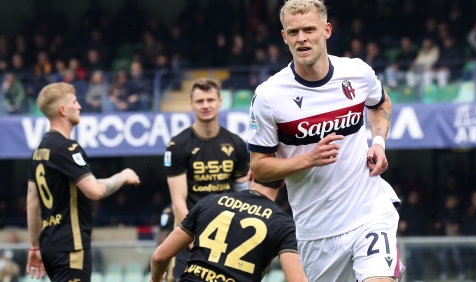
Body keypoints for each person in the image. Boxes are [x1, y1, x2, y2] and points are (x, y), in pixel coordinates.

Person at [248, 0, 404, 282]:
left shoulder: (357, 72)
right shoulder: (269, 96)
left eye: (309, 30)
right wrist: (308, 159)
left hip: (369, 212)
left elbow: (380, 104)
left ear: (327, 31)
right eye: (293, 32)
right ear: (284, 37)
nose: (302, 39)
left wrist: (378, 143)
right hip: (316, 231)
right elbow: (259, 167)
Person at [26, 82, 141, 281]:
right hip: (72, 247)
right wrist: (123, 176)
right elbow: (94, 191)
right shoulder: (67, 148)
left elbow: (32, 201)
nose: (79, 106)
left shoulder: (39, 151)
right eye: (75, 102)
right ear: (63, 109)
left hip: (50, 246)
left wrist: (35, 245)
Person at [149, 170, 306, 282]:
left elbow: (159, 256)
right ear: (282, 183)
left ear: (250, 175)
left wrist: (155, 279)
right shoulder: (285, 225)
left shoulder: (209, 202)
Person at [163, 78, 249, 281]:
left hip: (226, 237)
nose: (205, 105)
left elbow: (244, 195)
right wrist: (195, 242)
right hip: (189, 237)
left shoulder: (236, 144)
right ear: (191, 104)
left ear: (220, 101)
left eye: (210, 99)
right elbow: (178, 202)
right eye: (200, 101)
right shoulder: (178, 146)